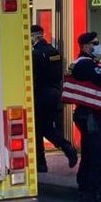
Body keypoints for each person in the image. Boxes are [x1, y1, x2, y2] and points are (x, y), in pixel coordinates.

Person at [66, 31, 101, 202]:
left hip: (85, 115)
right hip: (89, 116)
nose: (98, 46)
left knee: (88, 156)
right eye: (95, 43)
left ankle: (85, 198)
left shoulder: (83, 63)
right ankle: (95, 198)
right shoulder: (85, 64)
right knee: (97, 157)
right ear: (86, 46)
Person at [31, 25, 78, 173]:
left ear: (34, 36)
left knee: (39, 129)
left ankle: (43, 162)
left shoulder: (35, 54)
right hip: (55, 94)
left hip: (41, 96)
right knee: (47, 128)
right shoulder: (54, 52)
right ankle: (65, 148)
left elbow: (34, 77)